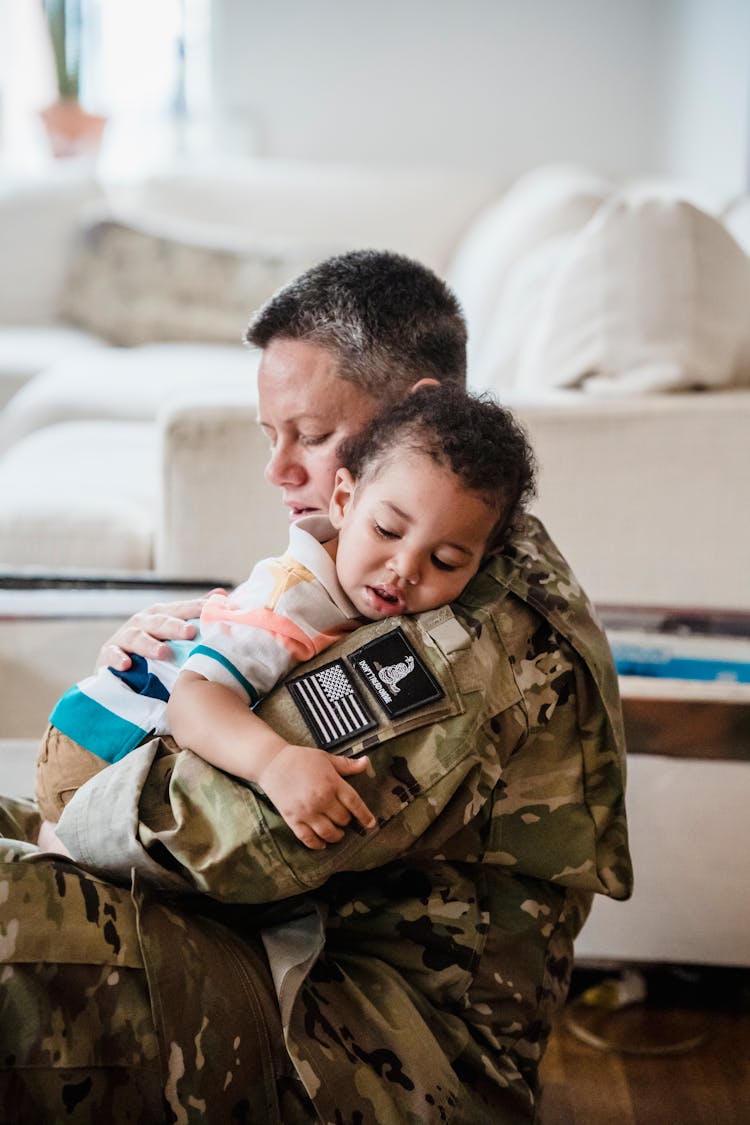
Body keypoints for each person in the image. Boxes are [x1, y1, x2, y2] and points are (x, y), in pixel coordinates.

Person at [0, 250, 632, 1124]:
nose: (280, 469)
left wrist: (94, 752)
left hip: (380, 1049)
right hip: (288, 947)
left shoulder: (452, 637)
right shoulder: (434, 546)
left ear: (414, 411)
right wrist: (183, 650)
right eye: (271, 434)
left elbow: (215, 838)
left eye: (310, 431)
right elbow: (262, 665)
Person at [36, 386, 535, 852]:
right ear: (343, 501)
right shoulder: (290, 601)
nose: (405, 568)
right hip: (106, 743)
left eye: (446, 561)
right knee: (77, 846)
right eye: (386, 530)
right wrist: (273, 763)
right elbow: (194, 700)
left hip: (117, 731)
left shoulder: (370, 597)